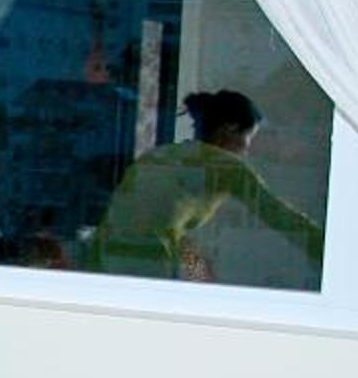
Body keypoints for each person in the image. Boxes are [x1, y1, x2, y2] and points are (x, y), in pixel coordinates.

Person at [93, 88, 326, 282]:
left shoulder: (164, 155)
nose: (247, 149)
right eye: (249, 138)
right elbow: (280, 216)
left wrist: (200, 271)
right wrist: (327, 251)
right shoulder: (224, 165)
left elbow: (163, 225)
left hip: (104, 258)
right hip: (139, 265)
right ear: (230, 129)